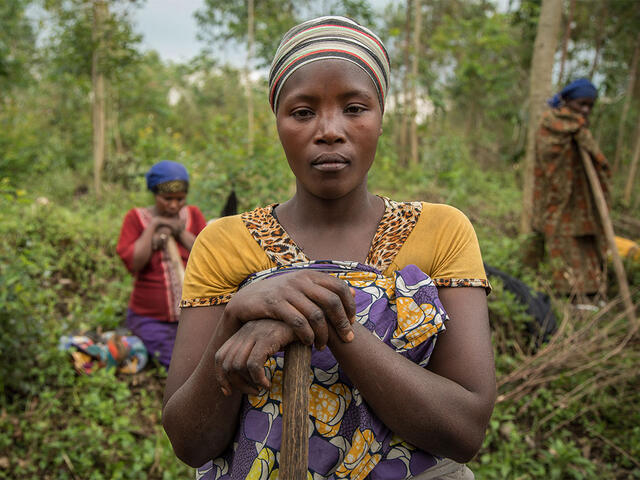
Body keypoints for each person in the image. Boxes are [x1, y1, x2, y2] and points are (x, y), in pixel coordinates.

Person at [163, 16, 495, 480]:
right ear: (279, 124)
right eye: (302, 112)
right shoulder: (224, 242)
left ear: (381, 119)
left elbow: (464, 430)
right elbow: (190, 442)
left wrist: (329, 323)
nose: (330, 130)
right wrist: (235, 321)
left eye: (355, 108)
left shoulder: (442, 230)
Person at [116, 160, 207, 369]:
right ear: (154, 195)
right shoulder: (136, 218)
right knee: (176, 364)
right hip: (150, 319)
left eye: (180, 199)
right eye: (167, 199)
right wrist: (155, 226)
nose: (174, 205)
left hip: (193, 316)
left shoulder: (192, 215)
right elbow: (134, 263)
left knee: (200, 358)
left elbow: (207, 255)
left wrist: (178, 232)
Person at [531, 78, 611, 298]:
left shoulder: (580, 129)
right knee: (562, 241)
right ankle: (568, 293)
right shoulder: (551, 123)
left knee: (588, 244)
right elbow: (548, 158)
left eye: (590, 106)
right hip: (558, 199)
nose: (585, 111)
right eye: (581, 104)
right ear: (566, 101)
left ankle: (594, 291)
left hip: (581, 202)